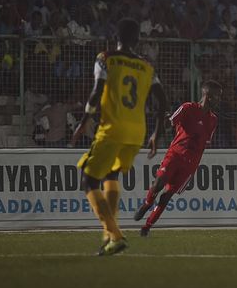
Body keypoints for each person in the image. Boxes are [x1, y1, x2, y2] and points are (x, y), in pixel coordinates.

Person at [70, 18, 167, 256]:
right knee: (111, 174)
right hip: (137, 132)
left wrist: (83, 123)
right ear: (138, 40)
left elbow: (97, 91)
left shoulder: (106, 58)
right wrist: (157, 132)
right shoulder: (147, 66)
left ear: (116, 37)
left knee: (88, 180)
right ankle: (109, 238)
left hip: (113, 128)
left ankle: (115, 235)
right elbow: (162, 100)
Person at [135, 81, 223, 236]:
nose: (219, 100)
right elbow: (170, 122)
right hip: (175, 155)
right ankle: (147, 204)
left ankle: (147, 226)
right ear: (208, 96)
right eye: (217, 96)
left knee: (166, 196)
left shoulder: (213, 119)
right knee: (158, 184)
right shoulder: (188, 108)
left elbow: (206, 141)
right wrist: (165, 125)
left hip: (190, 164)